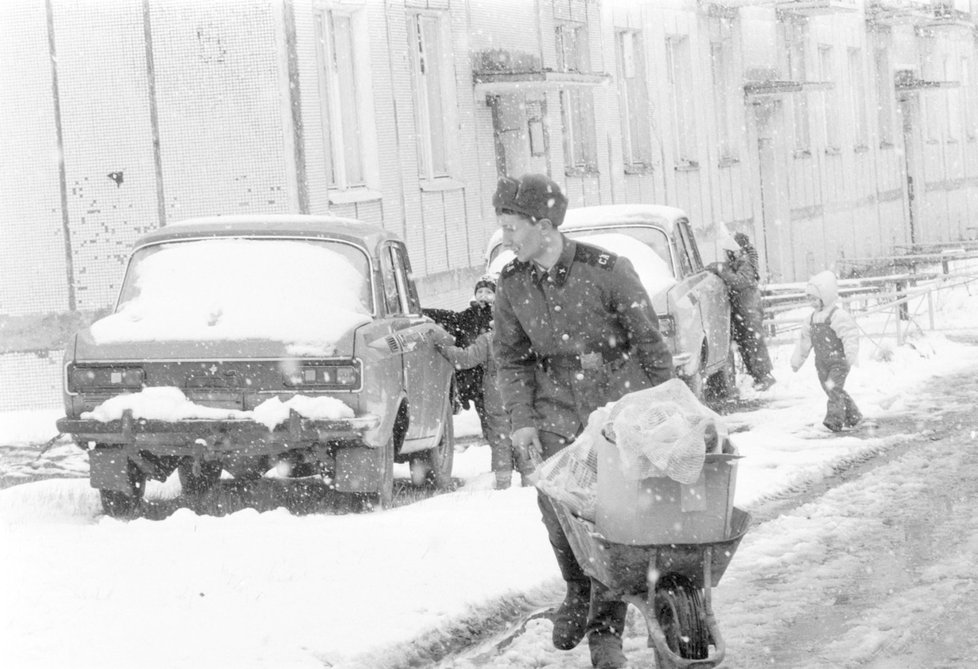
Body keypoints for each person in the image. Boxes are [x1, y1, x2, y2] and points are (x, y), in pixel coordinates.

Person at [490, 173, 673, 669]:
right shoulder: (513, 284)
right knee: (557, 511)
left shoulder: (609, 271)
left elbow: (652, 348)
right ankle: (577, 588)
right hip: (553, 412)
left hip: (615, 412)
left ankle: (608, 621)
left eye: (511, 228)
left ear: (544, 225)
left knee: (613, 522)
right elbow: (511, 358)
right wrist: (522, 420)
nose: (505, 239)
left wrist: (671, 413)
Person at [432, 308, 532, 490]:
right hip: (520, 388)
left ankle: (503, 481)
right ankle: (530, 478)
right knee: (522, 431)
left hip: (496, 391)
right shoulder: (523, 338)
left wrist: (443, 348)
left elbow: (465, 359)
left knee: (500, 437)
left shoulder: (488, 339)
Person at [790, 270, 862, 432]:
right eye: (810, 299)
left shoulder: (837, 316)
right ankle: (853, 415)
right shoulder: (810, 319)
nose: (812, 303)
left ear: (825, 297)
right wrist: (797, 361)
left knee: (833, 389)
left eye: (815, 299)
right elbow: (804, 342)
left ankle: (834, 420)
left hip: (838, 361)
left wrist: (851, 354)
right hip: (821, 363)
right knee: (833, 390)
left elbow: (849, 334)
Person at [708, 232, 777, 391]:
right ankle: (758, 376)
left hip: (749, 312)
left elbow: (739, 282)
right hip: (744, 312)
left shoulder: (745, 264)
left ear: (734, 250)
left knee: (753, 344)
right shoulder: (740, 263)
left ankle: (764, 376)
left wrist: (720, 269)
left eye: (727, 252)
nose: (725, 256)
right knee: (747, 345)